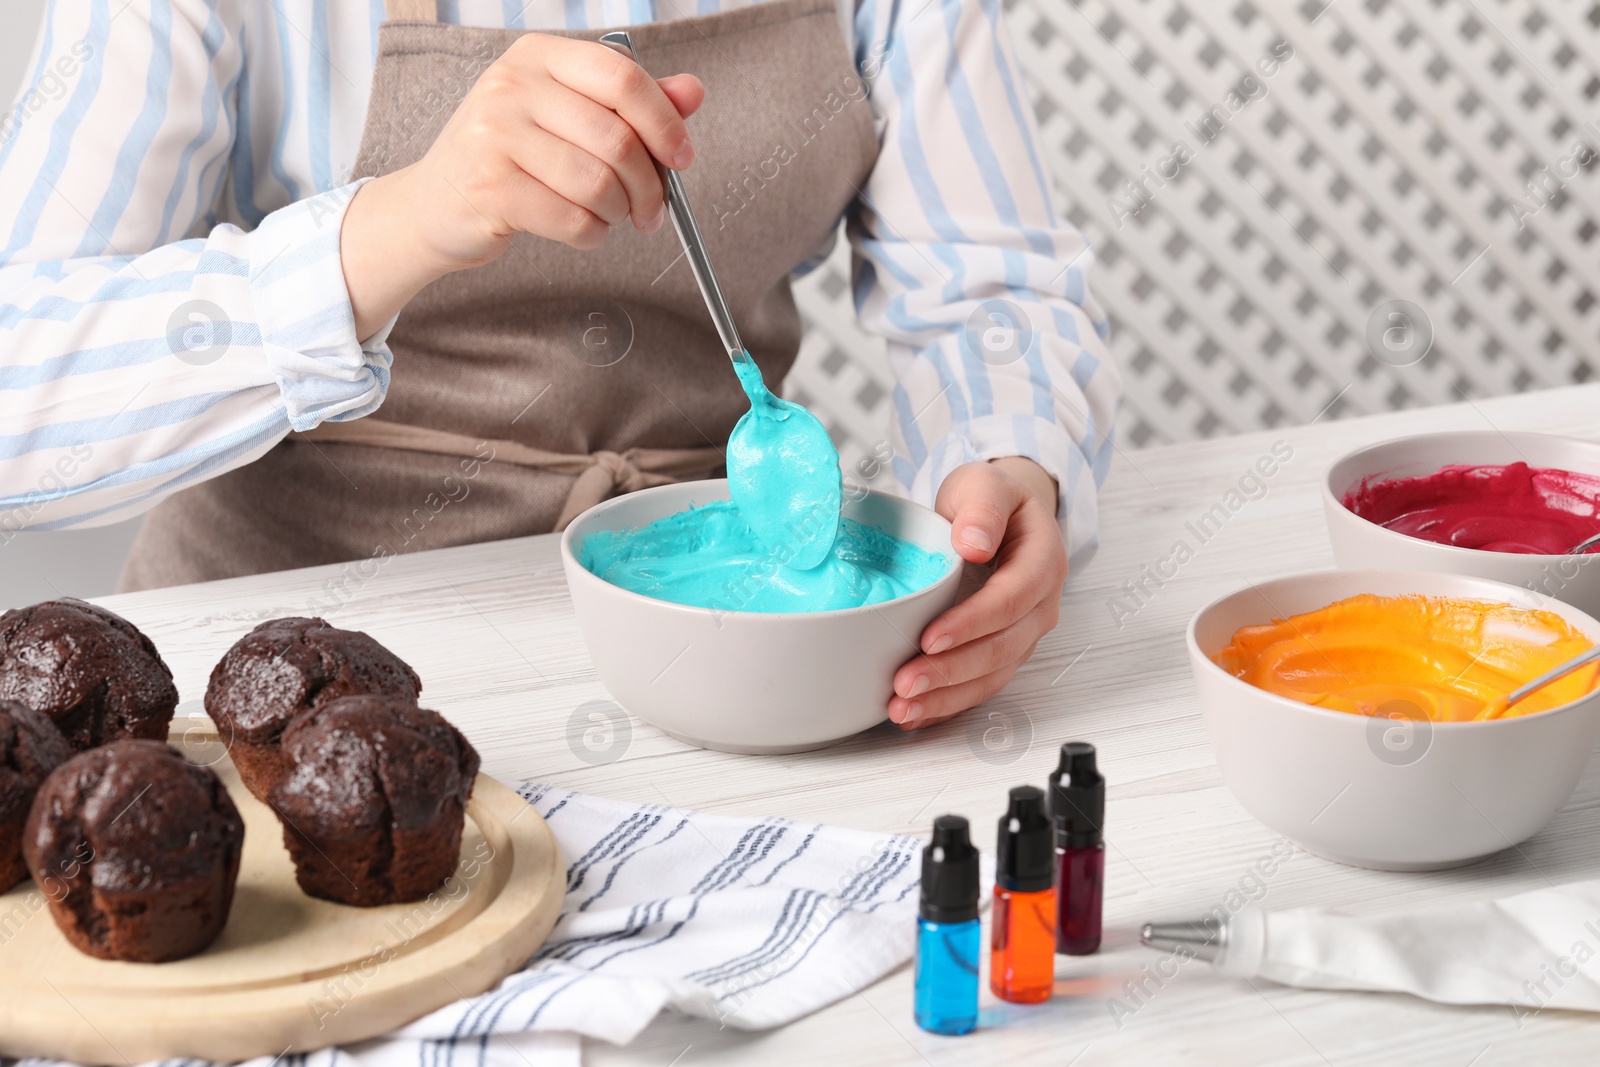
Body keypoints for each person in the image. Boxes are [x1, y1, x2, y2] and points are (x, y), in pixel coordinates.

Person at [0, 0, 1119, 730]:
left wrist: (1013, 457)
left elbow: (993, 293)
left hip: (734, 671)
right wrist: (390, 228)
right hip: (271, 681)